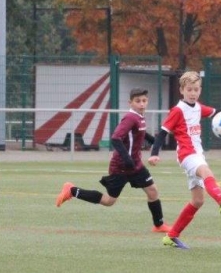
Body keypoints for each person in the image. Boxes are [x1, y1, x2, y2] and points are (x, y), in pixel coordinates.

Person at [148, 71, 221, 249]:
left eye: (196, 89)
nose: (193, 93)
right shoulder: (177, 110)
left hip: (197, 154)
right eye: (189, 89)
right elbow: (162, 133)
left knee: (198, 200)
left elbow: (220, 112)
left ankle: (171, 236)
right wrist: (154, 152)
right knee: (206, 171)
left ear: (200, 90)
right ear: (182, 90)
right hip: (186, 154)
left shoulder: (198, 107)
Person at [55, 88, 170, 233]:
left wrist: (153, 140)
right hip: (121, 166)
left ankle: (159, 225)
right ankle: (72, 190)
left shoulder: (139, 117)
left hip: (136, 165)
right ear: (130, 103)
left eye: (144, 101)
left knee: (152, 191)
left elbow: (139, 132)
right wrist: (127, 159)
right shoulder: (130, 117)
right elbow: (116, 138)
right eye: (138, 101)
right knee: (109, 201)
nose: (142, 104)